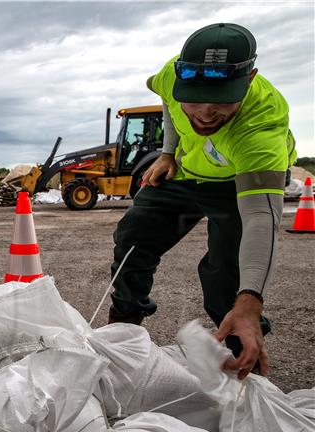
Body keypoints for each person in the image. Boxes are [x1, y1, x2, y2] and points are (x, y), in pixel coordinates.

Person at [108, 23, 296, 379]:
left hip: (237, 182)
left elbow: (261, 218)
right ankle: (121, 329)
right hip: (187, 170)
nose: (205, 113)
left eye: (222, 99)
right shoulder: (169, 75)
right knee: (134, 236)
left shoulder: (261, 124)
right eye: (193, 98)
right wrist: (168, 151)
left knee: (226, 273)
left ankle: (246, 362)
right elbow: (166, 99)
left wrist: (251, 299)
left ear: (250, 77)